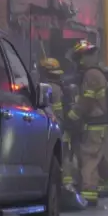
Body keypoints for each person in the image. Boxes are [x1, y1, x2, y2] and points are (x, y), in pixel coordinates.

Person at [65, 40, 108, 206]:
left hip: (94, 124)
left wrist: (72, 116)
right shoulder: (98, 72)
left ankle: (89, 194)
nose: (77, 62)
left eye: (79, 58)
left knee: (89, 159)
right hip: (99, 124)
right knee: (97, 155)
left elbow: (87, 100)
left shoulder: (91, 74)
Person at [39, 58, 77, 191]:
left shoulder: (49, 88)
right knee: (65, 155)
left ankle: (63, 184)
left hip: (55, 126)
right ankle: (67, 184)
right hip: (63, 126)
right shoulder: (60, 88)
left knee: (59, 156)